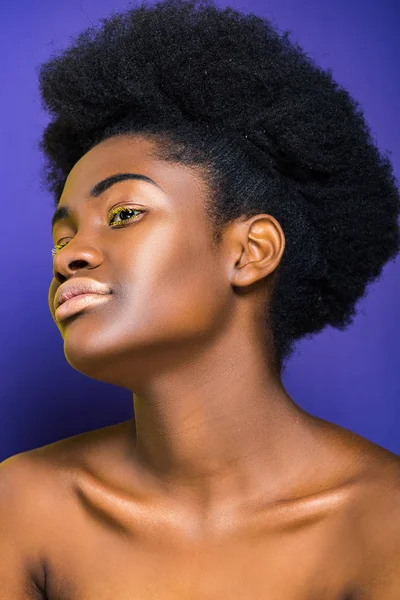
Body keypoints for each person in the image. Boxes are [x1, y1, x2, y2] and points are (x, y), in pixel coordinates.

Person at [1, 0, 400, 596]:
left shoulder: (382, 522)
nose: (68, 256)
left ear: (251, 251)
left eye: (124, 213)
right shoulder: (23, 504)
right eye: (63, 235)